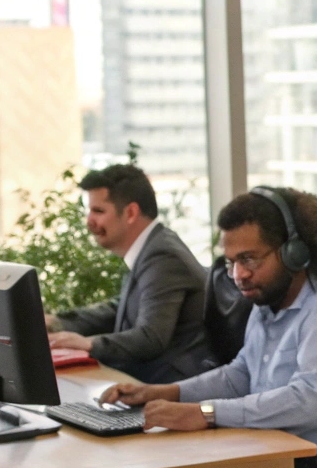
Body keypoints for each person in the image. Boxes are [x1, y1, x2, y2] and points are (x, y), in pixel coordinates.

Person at [102, 187, 317, 468]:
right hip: (289, 460)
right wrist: (166, 392)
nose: (239, 275)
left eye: (249, 259)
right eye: (231, 263)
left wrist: (206, 413)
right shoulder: (269, 304)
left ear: (293, 252)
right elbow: (241, 374)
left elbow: (308, 402)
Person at [46, 164, 210, 383]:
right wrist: (57, 322)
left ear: (131, 213)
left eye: (99, 211)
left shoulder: (162, 256)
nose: (89, 222)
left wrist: (89, 344)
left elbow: (151, 338)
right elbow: (120, 308)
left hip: (167, 388)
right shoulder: (153, 247)